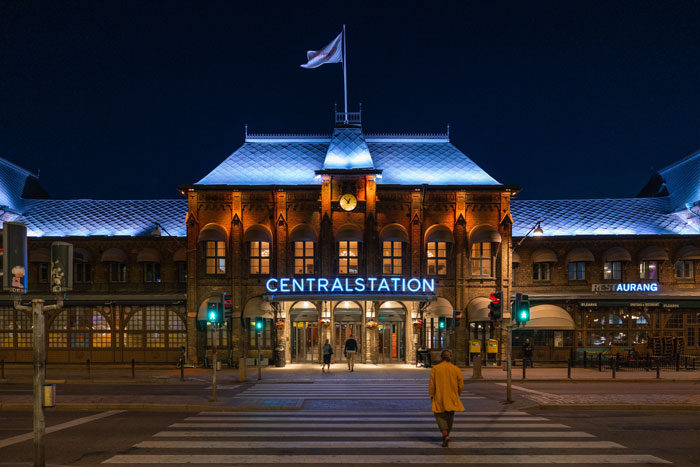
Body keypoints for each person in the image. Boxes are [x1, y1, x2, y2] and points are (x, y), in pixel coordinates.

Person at [428, 349, 464, 447]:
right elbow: (460, 385)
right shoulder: (456, 369)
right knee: (450, 415)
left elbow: (432, 384)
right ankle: (447, 434)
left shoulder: (436, 368)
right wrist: (457, 394)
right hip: (452, 395)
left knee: (439, 415)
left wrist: (431, 395)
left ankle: (445, 435)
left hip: (439, 395)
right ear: (450, 357)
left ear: (441, 357)